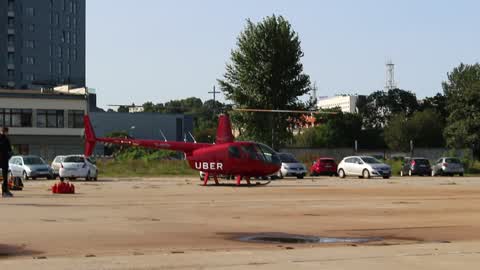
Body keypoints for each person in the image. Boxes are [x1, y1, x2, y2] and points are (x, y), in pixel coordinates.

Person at [0, 127, 13, 197]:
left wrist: (9, 155)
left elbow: (10, 149)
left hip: (5, 159)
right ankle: (5, 191)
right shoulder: (5, 139)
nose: (7, 133)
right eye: (6, 132)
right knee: (5, 176)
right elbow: (9, 149)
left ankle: (5, 191)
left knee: (5, 176)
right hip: (3, 159)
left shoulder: (6, 139)